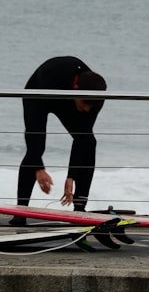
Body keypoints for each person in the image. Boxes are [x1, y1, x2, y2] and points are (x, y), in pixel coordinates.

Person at [15, 56, 107, 225]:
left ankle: (80, 208)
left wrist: (71, 176)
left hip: (68, 100)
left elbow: (82, 139)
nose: (87, 109)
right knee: (36, 149)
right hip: (39, 92)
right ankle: (20, 212)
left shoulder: (94, 98)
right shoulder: (50, 80)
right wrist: (39, 168)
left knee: (89, 142)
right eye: (85, 103)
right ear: (76, 88)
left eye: (91, 106)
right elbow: (33, 133)